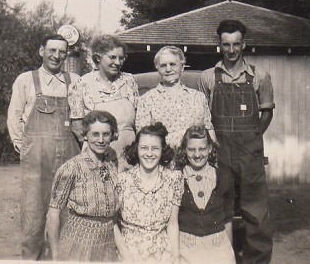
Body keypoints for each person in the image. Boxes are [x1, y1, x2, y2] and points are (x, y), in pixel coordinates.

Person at [198, 20, 274, 263]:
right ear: (219, 45)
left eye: (236, 44)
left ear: (244, 44)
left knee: (256, 211)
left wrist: (254, 137)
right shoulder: (208, 77)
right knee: (220, 207)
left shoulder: (260, 76)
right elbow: (202, 115)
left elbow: (267, 111)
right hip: (219, 150)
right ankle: (222, 258)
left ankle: (258, 259)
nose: (231, 50)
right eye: (226, 45)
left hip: (249, 151)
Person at [7, 34, 80, 260]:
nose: (56, 56)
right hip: (36, 158)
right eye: (52, 50)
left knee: (69, 214)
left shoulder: (75, 80)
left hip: (70, 156)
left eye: (61, 52)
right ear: (42, 51)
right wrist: (24, 146)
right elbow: (15, 116)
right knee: (33, 217)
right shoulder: (26, 80)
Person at [46, 110, 119, 262]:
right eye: (95, 134)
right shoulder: (71, 168)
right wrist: (55, 256)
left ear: (112, 135)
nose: (101, 140)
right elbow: (53, 215)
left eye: (106, 134)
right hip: (78, 243)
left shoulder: (112, 166)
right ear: (85, 135)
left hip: (107, 244)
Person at [114, 122, 183, 263]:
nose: (149, 154)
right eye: (144, 148)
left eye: (155, 148)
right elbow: (113, 223)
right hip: (128, 255)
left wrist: (176, 257)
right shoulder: (121, 180)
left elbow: (173, 224)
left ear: (162, 150)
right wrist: (126, 256)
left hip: (163, 255)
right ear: (136, 149)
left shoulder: (174, 179)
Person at [68, 34, 139, 172]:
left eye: (121, 58)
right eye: (112, 57)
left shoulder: (130, 81)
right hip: (97, 155)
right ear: (98, 57)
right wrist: (100, 149)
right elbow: (78, 128)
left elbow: (138, 119)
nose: (117, 62)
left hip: (129, 154)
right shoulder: (81, 84)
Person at [136, 46, 217, 150]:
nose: (168, 69)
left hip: (195, 160)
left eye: (173, 64)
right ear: (158, 69)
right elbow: (143, 139)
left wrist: (213, 156)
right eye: (163, 65)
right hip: (163, 162)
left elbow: (209, 130)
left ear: (182, 67)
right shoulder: (146, 100)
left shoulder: (198, 97)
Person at [176, 125, 236, 264]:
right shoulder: (177, 178)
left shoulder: (224, 177)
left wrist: (229, 254)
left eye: (202, 149)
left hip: (218, 248)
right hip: (186, 249)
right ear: (184, 150)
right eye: (191, 149)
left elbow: (227, 220)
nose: (197, 154)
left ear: (210, 148)